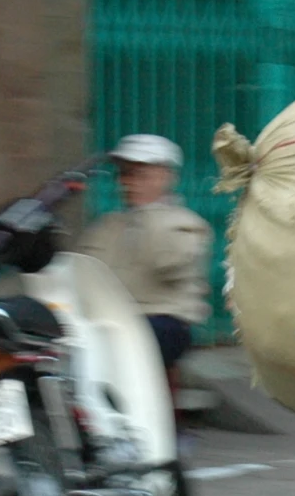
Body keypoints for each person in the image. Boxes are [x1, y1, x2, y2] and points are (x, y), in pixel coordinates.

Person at [76, 133, 211, 370]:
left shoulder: (186, 225)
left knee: (129, 339)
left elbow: (168, 265)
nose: (128, 182)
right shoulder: (108, 225)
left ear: (165, 177)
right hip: (107, 318)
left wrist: (150, 211)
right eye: (125, 174)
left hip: (159, 319)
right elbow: (81, 269)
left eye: (140, 174)